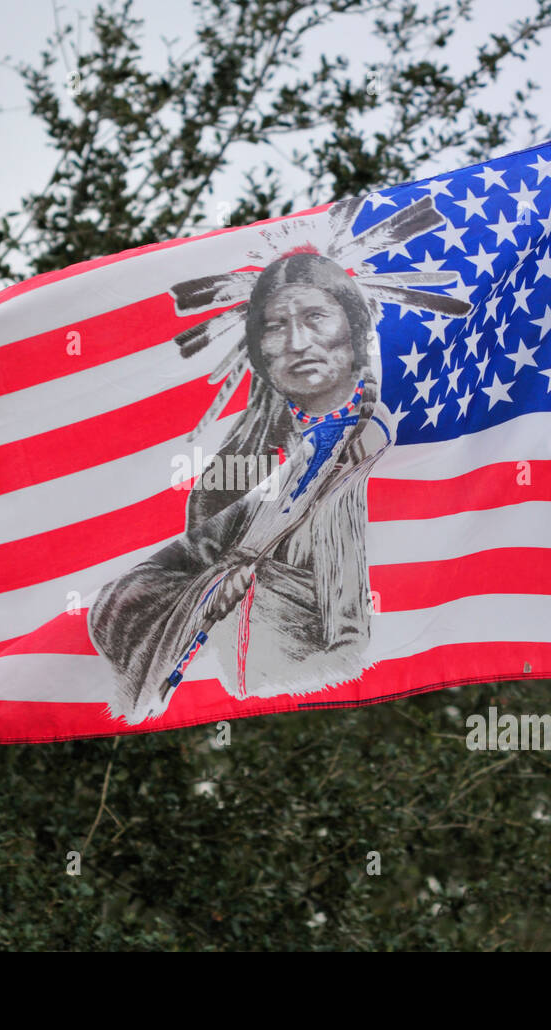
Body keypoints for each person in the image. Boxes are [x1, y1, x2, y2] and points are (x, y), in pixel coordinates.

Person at [88, 251, 396, 724]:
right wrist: (210, 594)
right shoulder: (233, 477)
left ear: (353, 327)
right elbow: (142, 584)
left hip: (353, 717)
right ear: (259, 349)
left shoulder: (395, 441)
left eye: (316, 317)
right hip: (244, 717)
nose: (297, 341)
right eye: (274, 326)